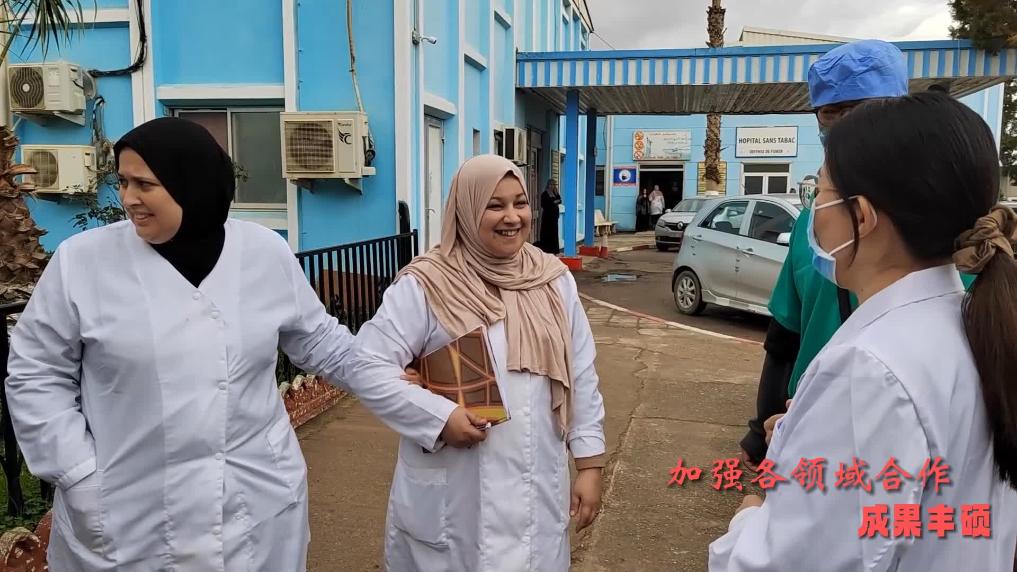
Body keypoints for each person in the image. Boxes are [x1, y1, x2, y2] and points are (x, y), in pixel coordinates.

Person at [3, 117, 418, 570]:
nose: (128, 198)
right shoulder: (82, 263)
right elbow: (36, 372)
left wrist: (387, 375)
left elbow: (321, 341)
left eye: (145, 184)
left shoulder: (262, 253)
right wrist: (78, 473)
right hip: (128, 510)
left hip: (253, 502)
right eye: (122, 182)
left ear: (192, 185)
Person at [711, 91, 1017, 571]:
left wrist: (748, 517)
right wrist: (800, 431)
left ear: (861, 216)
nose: (813, 211)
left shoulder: (869, 367)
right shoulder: (968, 323)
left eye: (820, 193)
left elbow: (789, 562)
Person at [344, 154, 607, 571]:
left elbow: (581, 372)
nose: (512, 217)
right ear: (465, 210)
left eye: (520, 203)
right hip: (455, 497)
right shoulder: (427, 283)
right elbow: (366, 366)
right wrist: (438, 416)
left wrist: (589, 462)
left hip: (536, 489)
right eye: (494, 205)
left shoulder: (552, 279)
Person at [739, 40, 975, 467]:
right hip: (811, 426)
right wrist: (763, 431)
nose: (846, 126)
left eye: (861, 109)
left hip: (922, 440)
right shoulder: (812, 222)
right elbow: (783, 339)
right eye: (831, 113)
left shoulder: (955, 223)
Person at [538, 178, 562, 254]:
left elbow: (560, 200)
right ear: (548, 185)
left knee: (554, 233)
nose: (552, 186)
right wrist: (553, 202)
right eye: (551, 184)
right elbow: (543, 204)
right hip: (547, 217)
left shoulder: (556, 193)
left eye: (554, 184)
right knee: (546, 233)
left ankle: (554, 250)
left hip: (554, 217)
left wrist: (554, 202)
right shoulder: (544, 194)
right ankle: (546, 249)